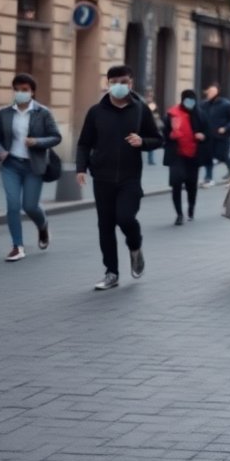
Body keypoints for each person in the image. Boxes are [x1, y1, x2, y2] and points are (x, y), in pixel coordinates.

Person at [76, 65, 162, 291]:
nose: (119, 86)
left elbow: (157, 139)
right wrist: (81, 168)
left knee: (125, 218)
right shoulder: (96, 111)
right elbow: (84, 143)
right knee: (105, 226)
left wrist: (142, 142)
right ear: (107, 83)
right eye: (114, 82)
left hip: (130, 177)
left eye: (123, 81)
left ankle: (135, 247)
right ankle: (111, 272)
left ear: (131, 84)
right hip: (102, 177)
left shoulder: (141, 110)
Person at [0, 73, 62, 262]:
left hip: (33, 166)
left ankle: (43, 225)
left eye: (25, 90)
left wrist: (36, 141)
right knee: (13, 206)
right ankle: (17, 246)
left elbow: (56, 136)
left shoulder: (43, 112)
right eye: (17, 89)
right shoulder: (4, 113)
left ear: (32, 91)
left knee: (29, 206)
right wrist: (0, 151)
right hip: (10, 165)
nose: (20, 93)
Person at [163, 89, 209, 226]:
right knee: (176, 184)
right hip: (176, 155)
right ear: (182, 100)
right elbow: (164, 134)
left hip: (194, 155)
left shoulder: (200, 114)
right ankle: (179, 214)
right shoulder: (172, 114)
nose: (190, 102)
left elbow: (208, 132)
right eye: (187, 99)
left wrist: (202, 136)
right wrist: (171, 135)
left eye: (192, 100)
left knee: (191, 185)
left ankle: (191, 208)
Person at [200, 83, 230, 187]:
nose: (210, 93)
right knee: (208, 157)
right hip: (208, 136)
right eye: (209, 91)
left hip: (222, 137)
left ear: (217, 92)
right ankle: (208, 178)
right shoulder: (204, 104)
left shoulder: (226, 104)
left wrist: (225, 128)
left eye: (212, 91)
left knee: (222, 156)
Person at [144, 89, 162, 166]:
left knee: (150, 141)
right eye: (149, 96)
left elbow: (156, 113)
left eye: (151, 96)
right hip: (145, 124)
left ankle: (150, 159)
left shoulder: (153, 104)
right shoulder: (143, 103)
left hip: (151, 124)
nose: (150, 97)